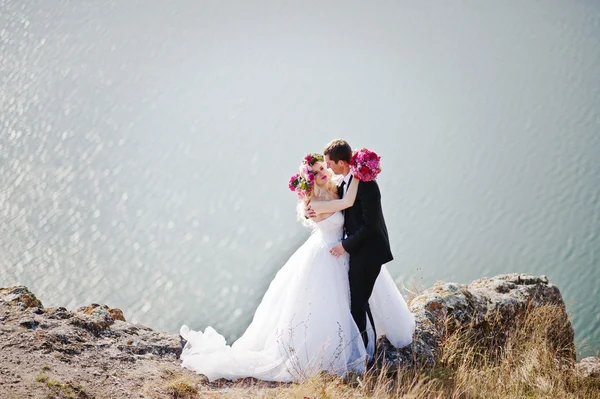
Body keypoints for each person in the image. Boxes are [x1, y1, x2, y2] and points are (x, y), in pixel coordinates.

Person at [179, 153, 414, 382]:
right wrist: (356, 171)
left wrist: (356, 174)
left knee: (356, 301)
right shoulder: (315, 203)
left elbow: (350, 203)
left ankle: (361, 345)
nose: (321, 173)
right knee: (330, 307)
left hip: (345, 252)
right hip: (328, 255)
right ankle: (335, 354)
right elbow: (346, 204)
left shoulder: (337, 186)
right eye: (314, 172)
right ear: (308, 179)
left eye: (322, 168)